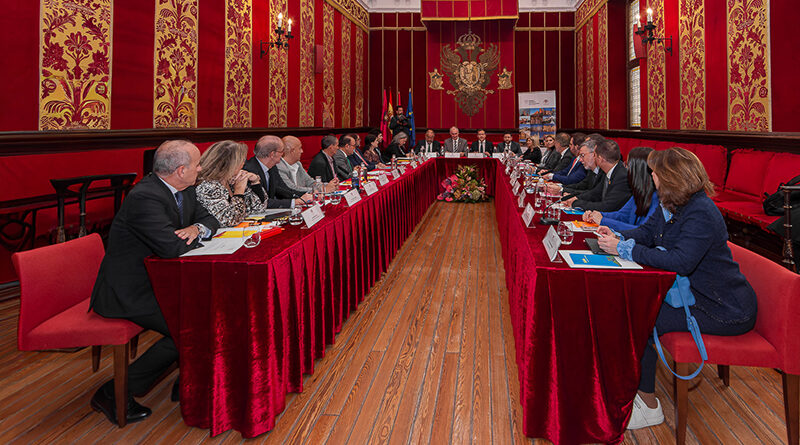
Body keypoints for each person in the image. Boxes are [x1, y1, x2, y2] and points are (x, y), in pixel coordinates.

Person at [596, 147, 757, 430]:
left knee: (640, 317)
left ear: (670, 177)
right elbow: (647, 233)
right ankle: (629, 387)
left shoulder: (701, 212)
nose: (652, 177)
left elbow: (681, 261)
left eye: (655, 172)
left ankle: (648, 406)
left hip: (723, 308)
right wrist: (619, 235)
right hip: (696, 296)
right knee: (632, 309)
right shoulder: (672, 202)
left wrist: (624, 250)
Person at [89, 140, 220, 425]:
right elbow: (170, 248)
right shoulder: (145, 196)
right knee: (190, 325)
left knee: (207, 311)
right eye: (197, 164)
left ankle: (185, 382)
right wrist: (194, 234)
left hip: (161, 281)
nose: (201, 168)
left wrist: (196, 228)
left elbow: (211, 220)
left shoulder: (186, 189)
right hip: (129, 290)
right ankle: (112, 392)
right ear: (181, 170)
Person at [582, 147, 659, 231]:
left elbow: (643, 232)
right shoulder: (639, 193)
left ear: (637, 171)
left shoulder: (658, 198)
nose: (626, 170)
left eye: (628, 166)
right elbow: (622, 215)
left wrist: (603, 220)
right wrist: (596, 214)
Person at [195, 140, 268, 227]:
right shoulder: (208, 187)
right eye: (241, 161)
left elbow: (259, 208)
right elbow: (229, 220)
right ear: (230, 164)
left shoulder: (230, 180)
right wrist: (238, 192)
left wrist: (255, 181)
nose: (243, 164)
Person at [243, 135, 312, 208]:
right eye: (282, 151)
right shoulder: (250, 170)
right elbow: (261, 202)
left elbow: (283, 189)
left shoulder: (272, 167)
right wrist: (295, 202)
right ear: (272, 154)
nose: (283, 154)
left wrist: (308, 194)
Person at [565, 139, 631, 212]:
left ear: (600, 159)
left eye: (595, 155)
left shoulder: (622, 177)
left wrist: (577, 203)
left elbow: (607, 206)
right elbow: (595, 193)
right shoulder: (610, 171)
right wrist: (575, 198)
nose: (594, 158)